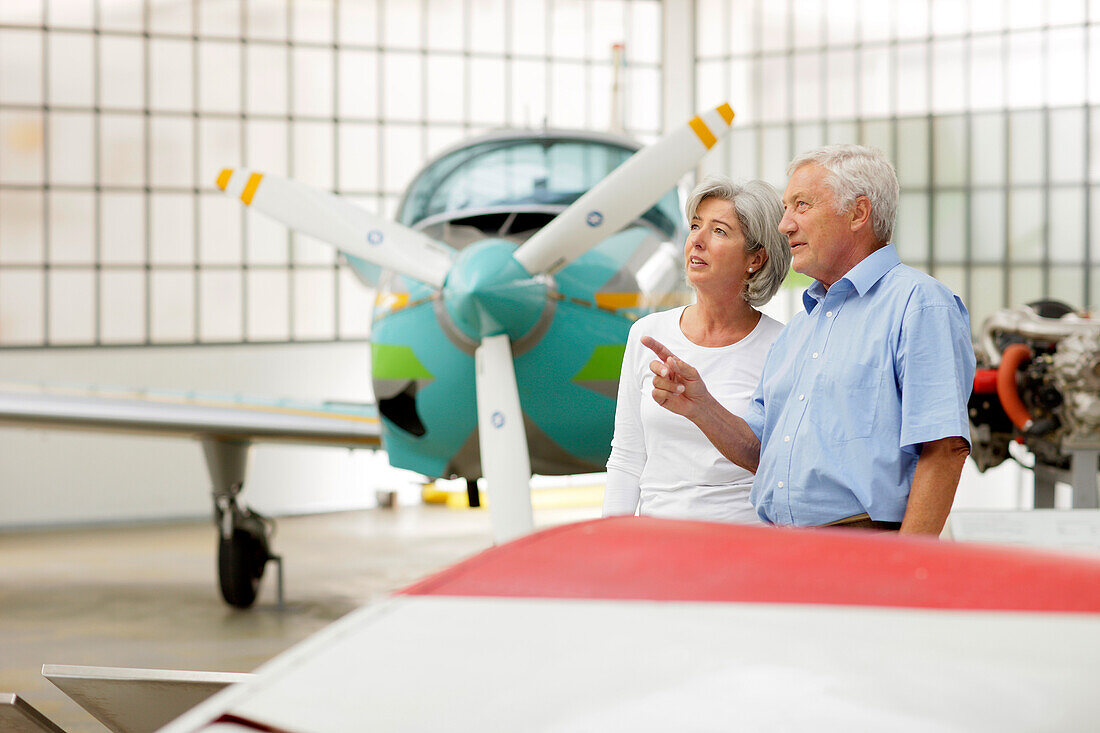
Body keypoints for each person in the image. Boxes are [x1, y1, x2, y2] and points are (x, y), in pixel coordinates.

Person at [644, 145, 975, 535]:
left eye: (801, 205)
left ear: (858, 213)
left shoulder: (919, 304)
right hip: (785, 551)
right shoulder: (800, 330)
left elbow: (944, 448)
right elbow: (759, 452)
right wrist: (701, 407)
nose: (784, 225)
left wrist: (906, 567)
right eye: (786, 208)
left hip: (865, 549)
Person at [603, 176, 792, 523]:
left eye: (719, 230)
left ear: (756, 259)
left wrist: (702, 407)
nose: (697, 241)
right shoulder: (647, 334)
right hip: (658, 546)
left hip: (746, 548)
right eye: (694, 225)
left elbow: (785, 467)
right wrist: (610, 545)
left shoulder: (784, 346)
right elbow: (627, 458)